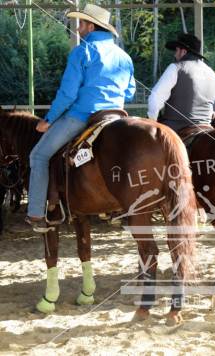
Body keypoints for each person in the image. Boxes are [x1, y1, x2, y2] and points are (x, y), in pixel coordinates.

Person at [25, 4, 136, 232]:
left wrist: (48, 119)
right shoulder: (124, 57)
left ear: (91, 26)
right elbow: (130, 92)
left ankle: (36, 213)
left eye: (81, 24)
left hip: (83, 116)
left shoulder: (81, 52)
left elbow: (68, 94)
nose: (77, 29)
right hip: (116, 117)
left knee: (38, 155)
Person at [147, 33, 215, 132]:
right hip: (206, 128)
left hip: (175, 129)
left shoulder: (176, 67)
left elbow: (155, 98)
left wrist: (152, 121)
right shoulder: (212, 73)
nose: (175, 54)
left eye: (177, 50)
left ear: (183, 51)